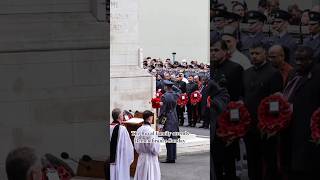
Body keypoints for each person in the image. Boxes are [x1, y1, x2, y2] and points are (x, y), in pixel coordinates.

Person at [243, 42, 283, 180]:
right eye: (252, 53)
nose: (254, 56)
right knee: (252, 161)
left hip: (266, 126)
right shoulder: (246, 73)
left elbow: (275, 102)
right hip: (249, 126)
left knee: (269, 161)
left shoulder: (273, 73)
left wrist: (270, 125)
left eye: (257, 53)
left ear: (265, 54)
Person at [282, 46, 320, 180]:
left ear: (311, 59)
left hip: (310, 124)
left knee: (308, 164)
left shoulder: (318, 74)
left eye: (302, 60)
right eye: (296, 59)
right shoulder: (293, 73)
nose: (298, 63)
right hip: (291, 123)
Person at [211, 39, 244, 180]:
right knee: (215, 161)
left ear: (225, 51)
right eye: (211, 50)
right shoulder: (211, 69)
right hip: (212, 119)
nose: (212, 53)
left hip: (227, 120)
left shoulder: (235, 68)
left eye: (216, 50)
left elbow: (237, 98)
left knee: (228, 159)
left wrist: (234, 125)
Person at [134, 110, 161, 180]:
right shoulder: (151, 131)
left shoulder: (139, 130)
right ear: (150, 118)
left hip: (142, 157)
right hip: (150, 158)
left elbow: (136, 146)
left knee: (141, 176)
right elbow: (155, 149)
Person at [159, 80, 181, 163]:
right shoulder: (175, 95)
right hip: (174, 117)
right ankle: (173, 157)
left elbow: (163, 111)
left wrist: (160, 123)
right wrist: (172, 86)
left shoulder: (164, 96)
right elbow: (179, 90)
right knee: (173, 138)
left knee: (168, 138)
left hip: (167, 117)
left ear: (165, 87)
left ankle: (169, 158)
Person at [110, 108, 134, 180]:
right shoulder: (122, 129)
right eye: (122, 115)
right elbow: (128, 147)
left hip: (110, 160)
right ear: (120, 116)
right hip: (119, 159)